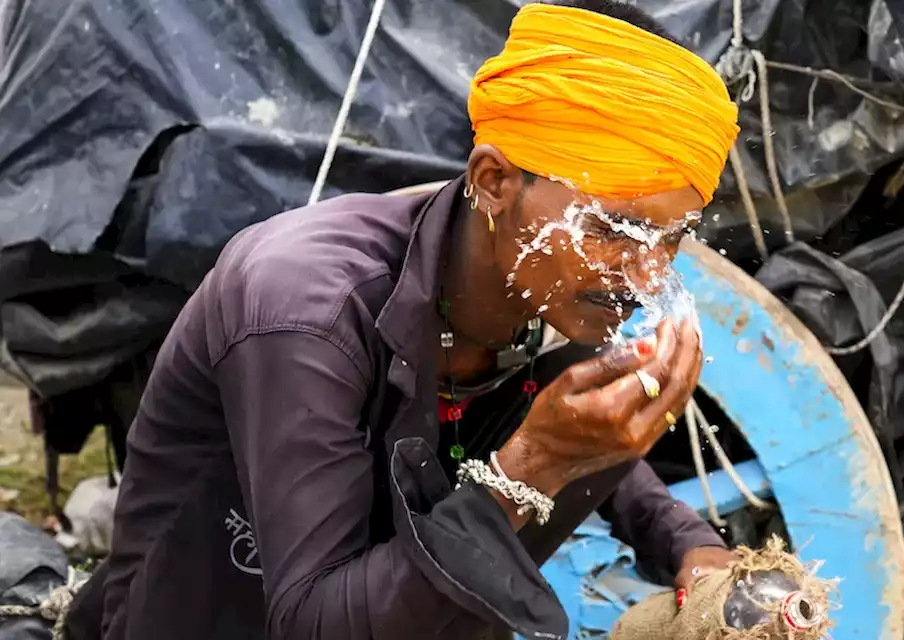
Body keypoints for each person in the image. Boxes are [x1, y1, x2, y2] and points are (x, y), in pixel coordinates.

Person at [63, 1, 742, 639]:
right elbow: (315, 622)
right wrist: (534, 464)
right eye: (611, 227)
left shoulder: (539, 293)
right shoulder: (306, 308)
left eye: (673, 237)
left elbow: (578, 432)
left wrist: (690, 544)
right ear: (494, 181)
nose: (649, 273)